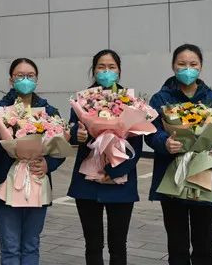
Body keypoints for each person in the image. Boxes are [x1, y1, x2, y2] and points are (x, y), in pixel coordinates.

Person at [145, 43, 212, 265]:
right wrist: (165, 143)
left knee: (204, 244)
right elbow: (150, 131)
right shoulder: (161, 99)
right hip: (172, 179)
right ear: (173, 66)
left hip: (204, 179)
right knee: (177, 245)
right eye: (182, 64)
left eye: (193, 64)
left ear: (201, 67)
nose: (187, 69)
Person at [0, 58, 64, 265]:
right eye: (20, 76)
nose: (25, 79)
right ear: (11, 79)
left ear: (36, 79)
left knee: (31, 244)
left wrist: (48, 164)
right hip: (5, 184)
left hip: (37, 181)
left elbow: (59, 148)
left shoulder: (49, 112)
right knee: (9, 246)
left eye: (30, 76)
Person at [67, 49, 142, 265]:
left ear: (119, 71)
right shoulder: (83, 100)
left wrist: (116, 170)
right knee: (93, 244)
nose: (106, 71)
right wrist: (78, 135)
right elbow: (73, 130)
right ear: (94, 70)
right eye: (101, 67)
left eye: (111, 67)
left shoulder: (130, 101)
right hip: (87, 180)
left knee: (118, 244)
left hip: (120, 181)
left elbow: (137, 142)